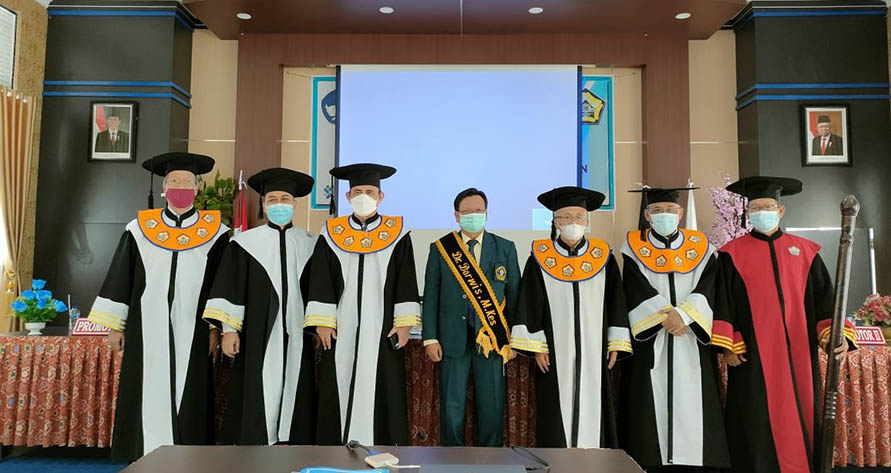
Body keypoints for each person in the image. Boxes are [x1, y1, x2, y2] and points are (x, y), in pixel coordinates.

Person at [87, 152, 229, 461]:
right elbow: (121, 278)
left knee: (190, 389)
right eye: (174, 181)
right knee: (145, 384)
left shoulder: (216, 233)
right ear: (164, 188)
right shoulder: (139, 229)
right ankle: (143, 453)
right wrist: (115, 326)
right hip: (146, 325)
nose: (181, 187)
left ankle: (189, 457)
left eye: (187, 182)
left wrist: (216, 329)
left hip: (195, 326)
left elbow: (222, 283)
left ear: (197, 188)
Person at [715, 176, 856, 473]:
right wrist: (729, 343)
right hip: (752, 355)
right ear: (748, 213)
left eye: (768, 207)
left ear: (781, 211)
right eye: (755, 208)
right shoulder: (731, 254)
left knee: (802, 411)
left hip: (798, 353)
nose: (761, 212)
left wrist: (836, 336)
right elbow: (722, 303)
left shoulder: (806, 252)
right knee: (753, 417)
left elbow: (827, 301)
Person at [304, 163, 420, 446]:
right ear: (348, 197)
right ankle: (335, 447)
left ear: (381, 196)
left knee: (382, 383)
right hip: (341, 325)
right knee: (338, 379)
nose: (363, 196)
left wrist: (404, 323)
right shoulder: (332, 233)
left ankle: (381, 446)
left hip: (382, 326)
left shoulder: (398, 233)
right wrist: (322, 321)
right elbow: (321, 278)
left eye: (369, 191)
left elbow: (406, 279)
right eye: (357, 192)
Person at [510, 186, 631, 448]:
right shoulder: (541, 258)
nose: (572, 223)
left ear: (587, 221)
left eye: (578, 217)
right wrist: (537, 346)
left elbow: (616, 302)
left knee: (594, 400)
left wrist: (615, 342)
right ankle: (559, 460)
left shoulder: (603, 257)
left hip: (594, 348)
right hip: (555, 350)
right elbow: (530, 303)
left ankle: (594, 460)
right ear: (555, 222)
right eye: (565, 217)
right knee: (556, 404)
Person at [203, 168, 318, 445]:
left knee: (297, 385)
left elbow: (316, 289)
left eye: (285, 199)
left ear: (294, 204)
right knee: (257, 386)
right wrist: (229, 330)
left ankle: (292, 443)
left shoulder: (310, 243)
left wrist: (314, 328)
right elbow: (231, 288)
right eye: (272, 199)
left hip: (297, 333)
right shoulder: (244, 244)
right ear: (264, 205)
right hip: (257, 334)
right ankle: (257, 445)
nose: (279, 204)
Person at [620, 187, 729, 472]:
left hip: (691, 336)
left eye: (670, 210)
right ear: (647, 215)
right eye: (657, 211)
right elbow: (633, 287)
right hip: (652, 338)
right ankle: (650, 460)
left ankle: (695, 461)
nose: (664, 215)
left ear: (680, 214)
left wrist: (684, 315)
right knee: (649, 405)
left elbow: (710, 285)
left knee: (694, 399)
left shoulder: (701, 247)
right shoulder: (633, 247)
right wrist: (664, 317)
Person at [421, 187, 521, 447]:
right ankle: (451, 458)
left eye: (478, 211)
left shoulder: (505, 248)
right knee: (451, 407)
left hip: (492, 340)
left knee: (492, 405)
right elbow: (431, 297)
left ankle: (491, 459)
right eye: (467, 212)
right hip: (451, 340)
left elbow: (515, 297)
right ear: (456, 216)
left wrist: (514, 339)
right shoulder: (441, 249)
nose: (473, 216)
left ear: (486, 213)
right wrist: (430, 338)